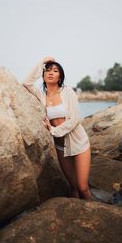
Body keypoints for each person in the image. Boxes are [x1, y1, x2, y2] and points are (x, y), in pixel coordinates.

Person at [22, 57, 91, 200]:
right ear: (43, 75)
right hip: (61, 146)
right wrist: (41, 62)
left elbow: (76, 118)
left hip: (79, 142)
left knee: (82, 188)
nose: (50, 73)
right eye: (47, 71)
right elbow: (26, 82)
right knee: (72, 186)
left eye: (55, 71)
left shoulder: (67, 92)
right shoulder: (41, 95)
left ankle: (97, 215)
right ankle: (77, 215)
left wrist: (53, 131)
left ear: (60, 76)